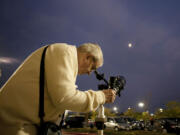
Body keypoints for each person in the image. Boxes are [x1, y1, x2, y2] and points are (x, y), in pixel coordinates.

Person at [0, 43, 116, 135]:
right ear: (88, 57)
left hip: (20, 124)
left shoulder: (65, 58)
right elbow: (65, 98)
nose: (90, 73)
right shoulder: (65, 53)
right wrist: (101, 96)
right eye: (93, 68)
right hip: (14, 124)